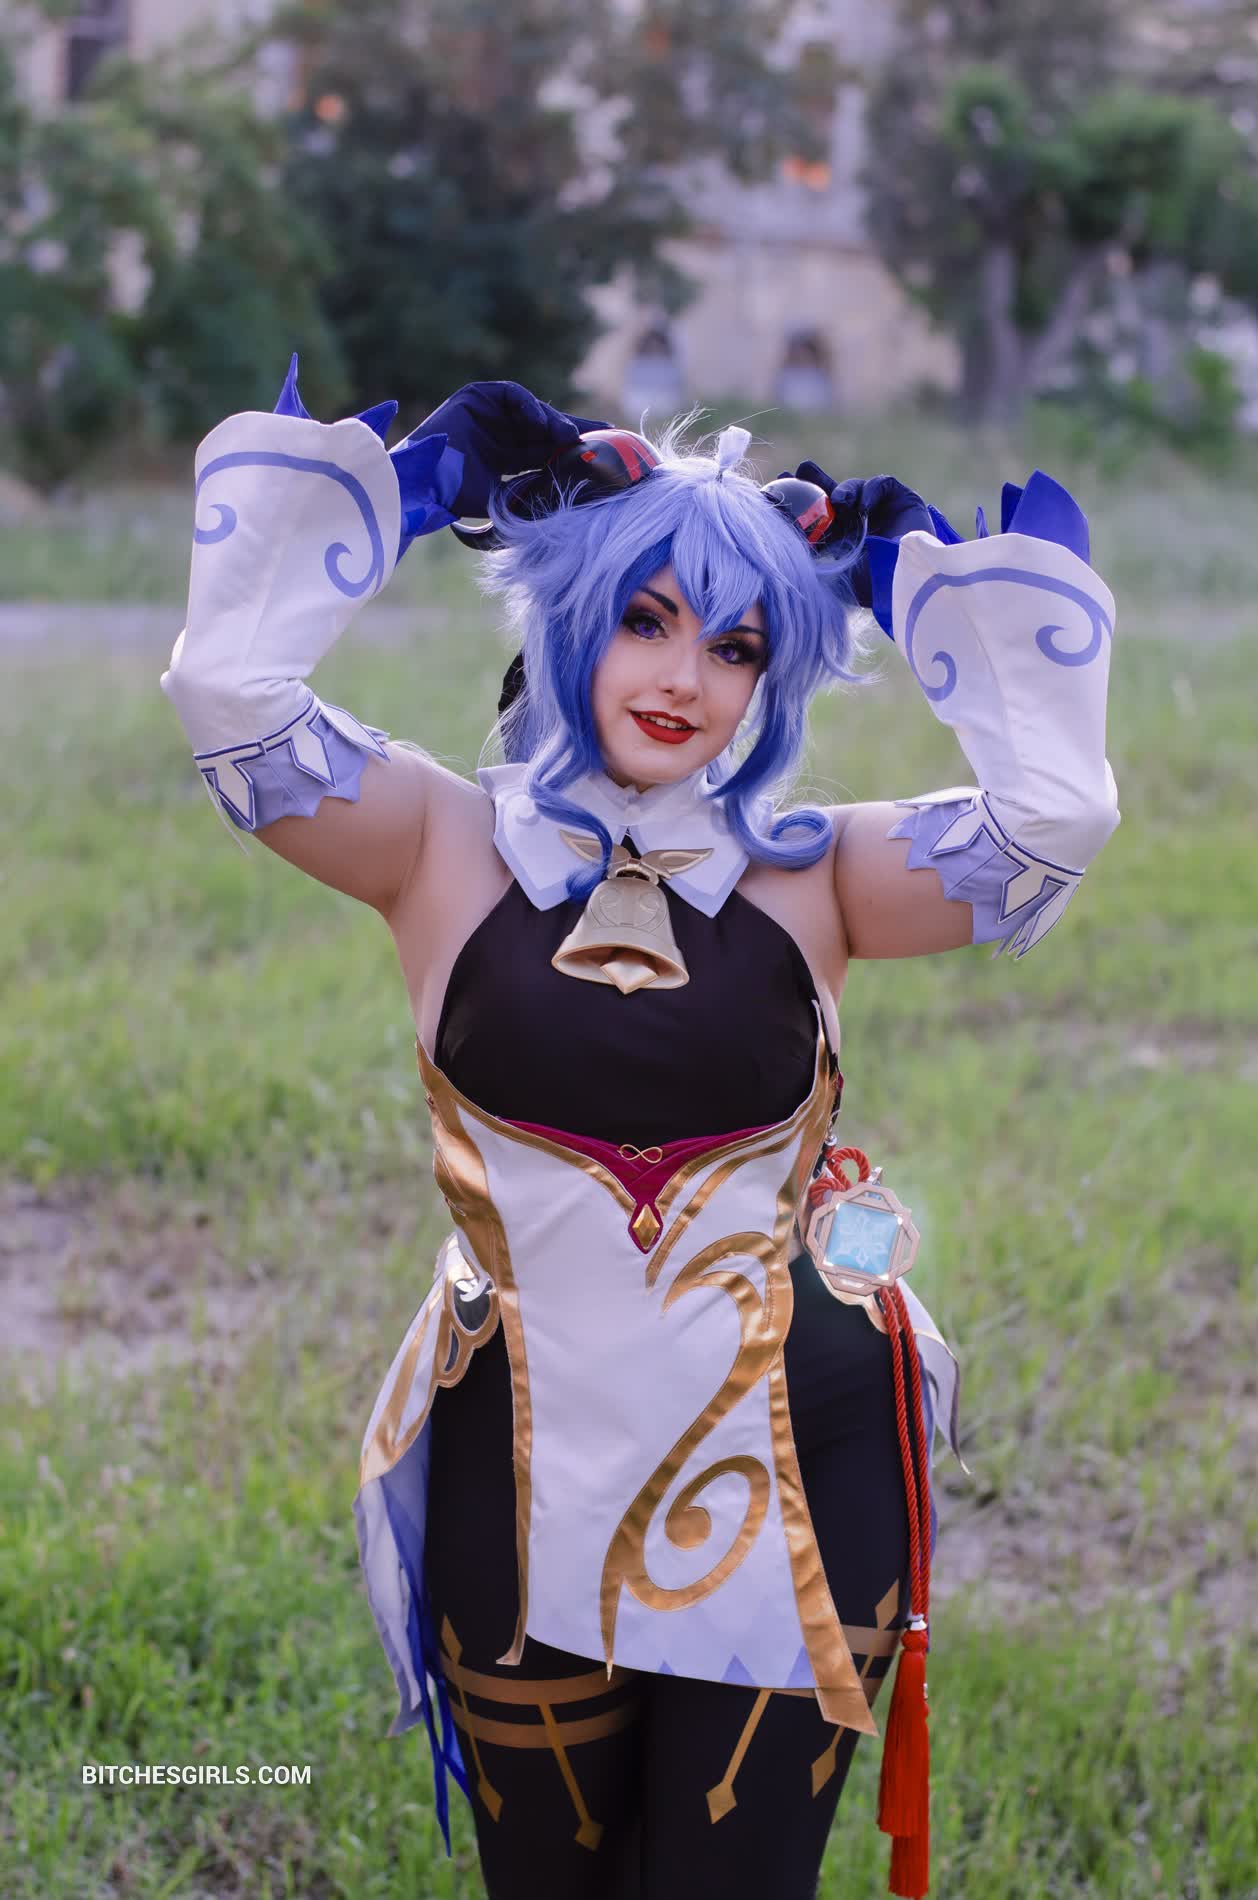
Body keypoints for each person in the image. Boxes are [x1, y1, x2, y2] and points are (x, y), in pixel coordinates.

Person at [160, 364, 1119, 1900]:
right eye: (643, 617)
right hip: (512, 1450)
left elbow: (1051, 822)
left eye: (737, 644)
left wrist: (901, 571)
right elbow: (229, 699)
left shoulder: (817, 873)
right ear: (567, 616)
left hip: (801, 1451)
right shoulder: (437, 843)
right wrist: (421, 485)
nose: (685, 679)